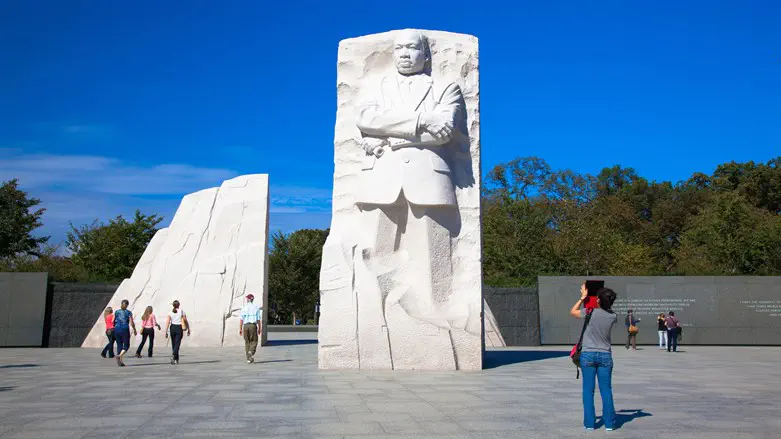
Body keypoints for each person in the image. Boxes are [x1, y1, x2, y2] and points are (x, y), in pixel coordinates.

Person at [351, 30, 468, 369]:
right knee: (375, 252)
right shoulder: (376, 86)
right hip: (383, 176)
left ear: (425, 54)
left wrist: (389, 131)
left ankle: (439, 319)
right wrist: (420, 121)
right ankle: (374, 322)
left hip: (429, 175)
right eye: (398, 48)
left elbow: (443, 130)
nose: (404, 54)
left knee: (436, 257)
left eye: (412, 48)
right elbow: (364, 120)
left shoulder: (446, 87)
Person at [570, 283, 618, 432]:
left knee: (588, 390)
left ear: (598, 300)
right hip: (605, 355)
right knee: (606, 390)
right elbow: (605, 307)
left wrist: (582, 297)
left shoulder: (589, 312)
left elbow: (573, 312)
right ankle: (609, 424)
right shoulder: (613, 316)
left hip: (588, 354)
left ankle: (590, 423)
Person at [239, 293, 263, 363]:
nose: (246, 299)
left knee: (247, 342)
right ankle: (251, 352)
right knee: (254, 341)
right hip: (253, 326)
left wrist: (240, 329)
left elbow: (241, 319)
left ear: (249, 299)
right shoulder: (256, 308)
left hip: (245, 326)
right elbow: (258, 319)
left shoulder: (244, 308)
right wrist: (259, 328)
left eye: (247, 298)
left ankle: (248, 359)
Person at [165, 300, 190, 365]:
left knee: (174, 343)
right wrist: (188, 329)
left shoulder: (170, 312)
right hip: (179, 328)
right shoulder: (181, 312)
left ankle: (176, 359)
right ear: (179, 305)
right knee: (177, 343)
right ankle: (174, 355)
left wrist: (166, 331)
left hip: (172, 327)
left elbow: (168, 322)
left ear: (173, 305)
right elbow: (185, 321)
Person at [113, 299, 137, 367]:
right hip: (124, 329)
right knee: (126, 345)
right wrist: (134, 329)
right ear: (127, 305)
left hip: (117, 329)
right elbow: (131, 322)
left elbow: (114, 321)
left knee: (119, 344)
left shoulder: (117, 312)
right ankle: (119, 356)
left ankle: (120, 362)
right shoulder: (128, 312)